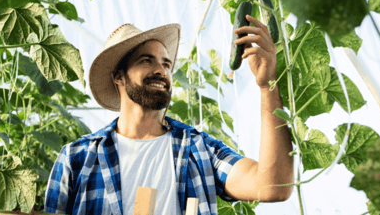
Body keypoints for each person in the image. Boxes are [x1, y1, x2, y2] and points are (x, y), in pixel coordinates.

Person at [44, 15, 294, 215]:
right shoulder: (76, 158)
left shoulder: (199, 149)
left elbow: (273, 186)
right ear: (119, 76)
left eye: (166, 64)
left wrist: (267, 84)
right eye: (146, 60)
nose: (161, 71)